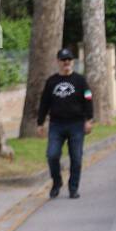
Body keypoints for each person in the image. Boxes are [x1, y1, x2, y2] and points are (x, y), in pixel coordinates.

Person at [36, 48, 94, 199]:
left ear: (72, 62)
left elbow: (88, 99)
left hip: (76, 124)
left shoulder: (80, 81)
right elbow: (44, 103)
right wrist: (40, 123)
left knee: (76, 158)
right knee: (52, 155)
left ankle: (73, 188)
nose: (66, 63)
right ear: (58, 62)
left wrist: (89, 119)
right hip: (56, 125)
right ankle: (57, 182)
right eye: (63, 60)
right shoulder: (51, 82)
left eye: (69, 60)